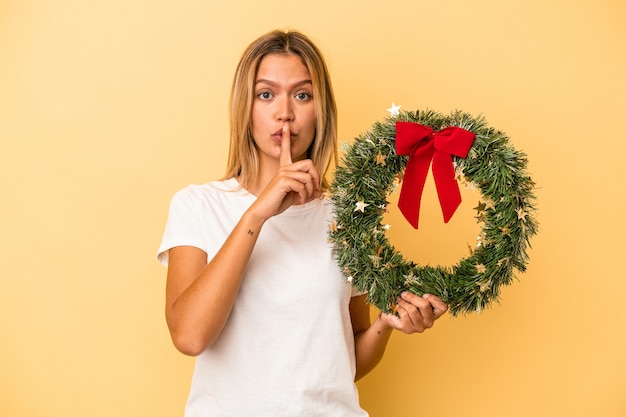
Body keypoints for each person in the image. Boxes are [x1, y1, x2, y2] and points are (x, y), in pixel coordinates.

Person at [157, 29, 448, 416]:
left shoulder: (348, 218)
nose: (285, 113)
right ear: (245, 107)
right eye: (266, 94)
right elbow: (190, 336)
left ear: (319, 109)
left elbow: (340, 363)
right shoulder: (198, 205)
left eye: (302, 95)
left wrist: (384, 326)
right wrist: (258, 213)